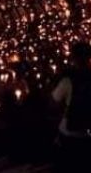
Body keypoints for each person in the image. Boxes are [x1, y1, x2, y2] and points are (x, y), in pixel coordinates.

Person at [52, 41, 91, 171]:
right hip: (87, 132)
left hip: (69, 133)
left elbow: (54, 100)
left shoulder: (68, 80)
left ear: (74, 58)